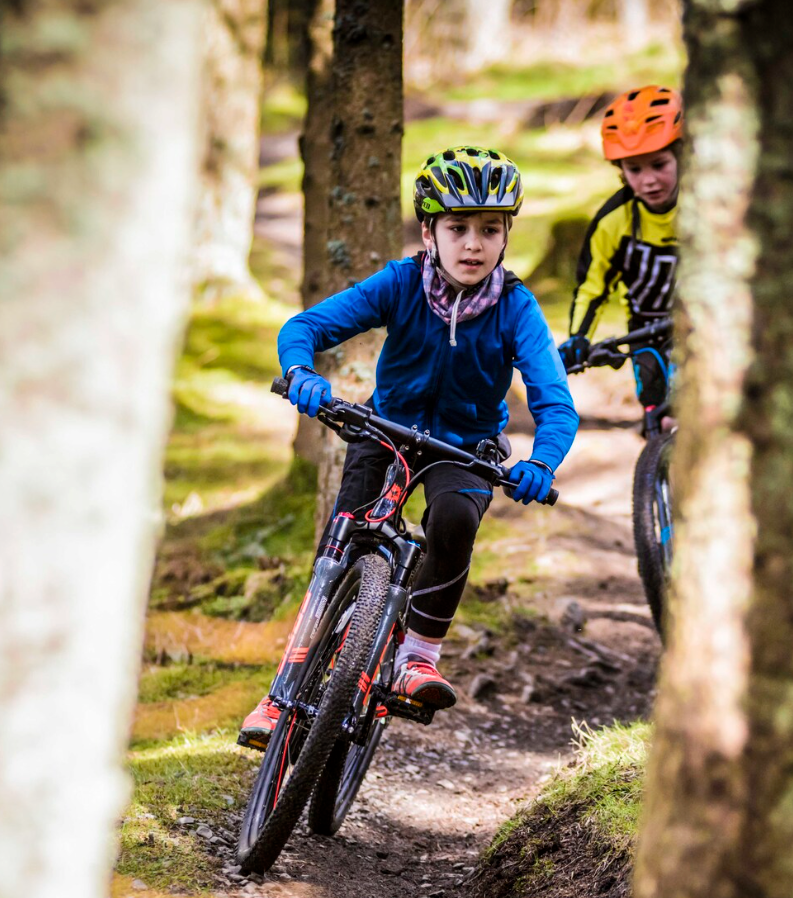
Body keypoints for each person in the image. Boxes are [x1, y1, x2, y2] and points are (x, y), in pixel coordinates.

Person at [238, 146, 578, 751]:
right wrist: (303, 374)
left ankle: (417, 657)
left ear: (506, 237)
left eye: (489, 230)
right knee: (340, 547)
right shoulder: (400, 283)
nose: (473, 244)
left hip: (466, 446)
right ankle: (281, 692)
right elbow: (304, 328)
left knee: (452, 519)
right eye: (457, 228)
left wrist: (540, 463)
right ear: (429, 231)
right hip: (386, 429)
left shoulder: (516, 308)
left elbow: (555, 402)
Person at [556, 85, 682, 411]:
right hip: (647, 333)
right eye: (635, 169)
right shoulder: (614, 221)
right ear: (621, 171)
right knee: (661, 415)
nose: (648, 180)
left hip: (707, 326)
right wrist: (578, 338)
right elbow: (592, 286)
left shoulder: (708, 206)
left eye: (659, 165)